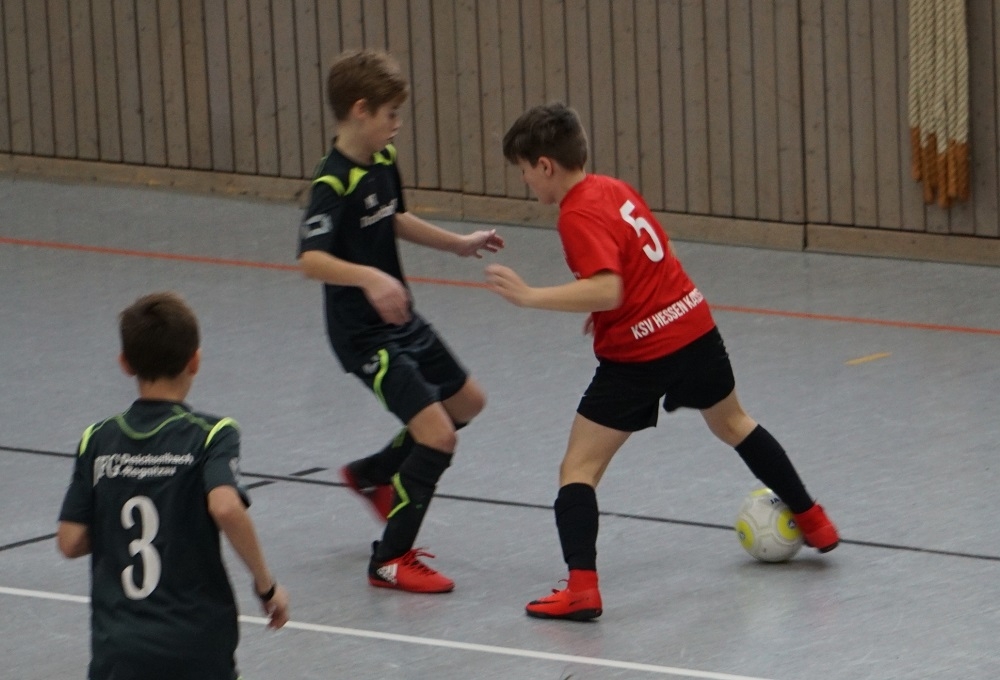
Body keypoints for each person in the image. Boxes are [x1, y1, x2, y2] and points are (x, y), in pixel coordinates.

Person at [486, 103, 839, 621]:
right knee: (734, 423)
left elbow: (607, 288)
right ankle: (814, 520)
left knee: (578, 468)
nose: (525, 181)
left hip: (640, 357)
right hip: (695, 327)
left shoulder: (576, 213)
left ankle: (581, 589)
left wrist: (530, 296)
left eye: (523, 170)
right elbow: (654, 252)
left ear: (545, 165)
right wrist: (612, 309)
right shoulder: (614, 189)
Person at [297, 49, 504, 594]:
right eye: (391, 114)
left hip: (400, 318)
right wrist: (369, 277)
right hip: (362, 334)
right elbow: (311, 259)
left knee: (467, 403)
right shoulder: (333, 181)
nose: (397, 124)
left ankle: (372, 474)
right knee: (438, 437)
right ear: (360, 110)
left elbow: (396, 218)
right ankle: (389, 560)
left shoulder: (383, 159)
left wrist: (458, 244)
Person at [56, 291, 290, 680]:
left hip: (119, 647)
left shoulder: (96, 439)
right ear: (194, 360)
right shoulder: (212, 434)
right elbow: (226, 507)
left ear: (125, 363)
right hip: (195, 643)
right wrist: (266, 586)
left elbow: (70, 541)